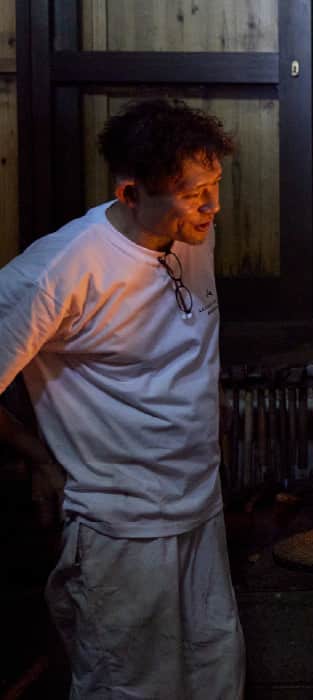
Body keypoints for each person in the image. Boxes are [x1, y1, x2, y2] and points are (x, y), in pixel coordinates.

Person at [0, 98, 245, 698]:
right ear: (131, 193)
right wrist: (39, 457)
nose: (213, 206)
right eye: (194, 194)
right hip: (121, 528)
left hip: (200, 510)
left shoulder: (193, 235)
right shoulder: (58, 271)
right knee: (134, 689)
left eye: (215, 184)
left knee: (219, 680)